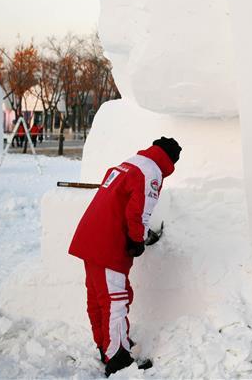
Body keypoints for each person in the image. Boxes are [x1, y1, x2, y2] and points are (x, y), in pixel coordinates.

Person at [68, 137, 181, 376]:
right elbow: (139, 210)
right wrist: (137, 240)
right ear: (170, 161)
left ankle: (106, 346)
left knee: (99, 297)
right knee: (115, 300)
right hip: (108, 242)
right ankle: (117, 356)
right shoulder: (152, 172)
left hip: (91, 236)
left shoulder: (131, 163)